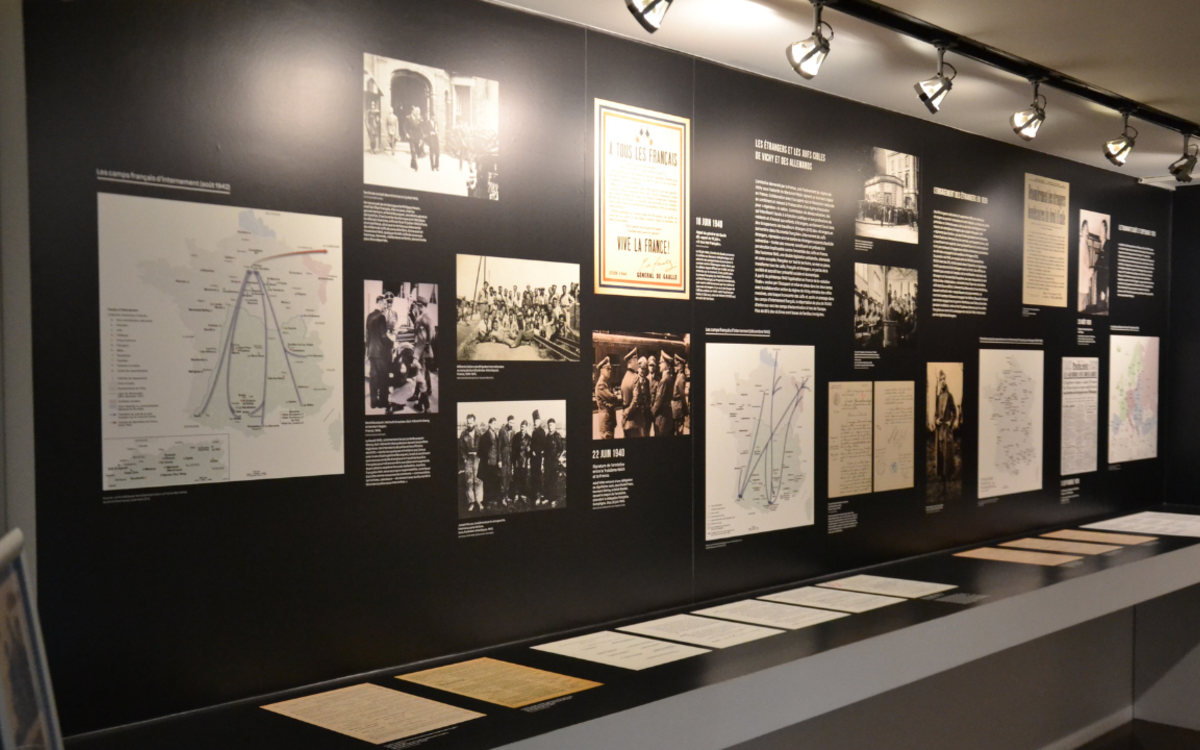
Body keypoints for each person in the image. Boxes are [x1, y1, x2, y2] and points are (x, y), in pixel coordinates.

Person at [933, 370, 958, 496]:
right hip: (939, 433)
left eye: (944, 379)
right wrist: (936, 419)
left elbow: (955, 412)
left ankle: (946, 488)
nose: (942, 381)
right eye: (940, 379)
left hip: (946, 431)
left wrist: (950, 423)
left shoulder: (950, 396)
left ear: (946, 380)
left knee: (947, 459)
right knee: (941, 457)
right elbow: (935, 414)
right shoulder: (938, 397)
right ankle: (942, 487)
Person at [366, 295, 391, 409]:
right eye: (384, 304)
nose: (385, 307)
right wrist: (392, 344)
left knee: (373, 378)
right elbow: (384, 336)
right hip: (381, 353)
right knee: (383, 378)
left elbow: (368, 336)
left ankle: (373, 402)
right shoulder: (381, 317)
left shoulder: (369, 316)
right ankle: (383, 403)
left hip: (372, 352)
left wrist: (367, 352)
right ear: (380, 303)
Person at [617, 348, 643, 438]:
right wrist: (627, 412)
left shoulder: (624, 378)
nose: (638, 365)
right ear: (632, 361)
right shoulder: (635, 377)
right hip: (634, 422)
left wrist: (625, 415)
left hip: (626, 423)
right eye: (637, 361)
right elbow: (636, 400)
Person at [594, 356, 620, 440]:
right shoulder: (601, 384)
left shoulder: (606, 383)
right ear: (602, 370)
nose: (610, 371)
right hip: (606, 423)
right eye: (608, 369)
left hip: (608, 421)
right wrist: (614, 398)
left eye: (610, 369)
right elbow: (612, 397)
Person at [459, 414, 481, 512]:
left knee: (478, 480)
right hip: (468, 459)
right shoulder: (463, 434)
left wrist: (481, 457)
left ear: (474, 422)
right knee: (469, 481)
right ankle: (471, 502)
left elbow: (483, 447)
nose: (469, 424)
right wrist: (464, 458)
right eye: (468, 423)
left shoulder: (479, 433)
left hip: (477, 458)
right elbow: (461, 448)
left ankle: (479, 501)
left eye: (471, 422)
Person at [653, 351, 675, 438]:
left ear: (665, 364)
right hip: (668, 415)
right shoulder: (670, 378)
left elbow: (658, 401)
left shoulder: (664, 381)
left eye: (661, 362)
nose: (659, 365)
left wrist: (651, 412)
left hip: (662, 418)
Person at [544, 418, 565, 506]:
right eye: (549, 425)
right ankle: (547, 497)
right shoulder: (547, 436)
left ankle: (554, 498)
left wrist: (556, 458)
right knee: (547, 479)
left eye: (551, 425)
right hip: (547, 461)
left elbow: (561, 448)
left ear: (555, 426)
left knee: (554, 480)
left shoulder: (557, 436)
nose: (550, 427)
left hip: (554, 462)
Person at [479, 418, 498, 509]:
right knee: (487, 483)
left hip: (495, 463)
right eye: (494, 424)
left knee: (494, 481)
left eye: (496, 424)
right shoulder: (484, 437)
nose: (495, 425)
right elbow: (480, 452)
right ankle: (486, 502)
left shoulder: (495, 434)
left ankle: (492, 499)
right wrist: (486, 459)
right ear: (489, 424)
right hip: (487, 464)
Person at [512, 420, 532, 505]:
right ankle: (516, 495)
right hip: (516, 461)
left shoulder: (529, 438)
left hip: (524, 461)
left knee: (524, 478)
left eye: (524, 427)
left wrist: (529, 451)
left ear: (527, 427)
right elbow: (513, 449)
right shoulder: (516, 436)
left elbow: (531, 452)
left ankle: (523, 495)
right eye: (521, 427)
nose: (522, 428)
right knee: (516, 478)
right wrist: (514, 460)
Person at [498, 415, 515, 506]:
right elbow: (499, 446)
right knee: (503, 477)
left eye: (513, 423)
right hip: (503, 458)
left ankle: (507, 495)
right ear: (507, 422)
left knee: (509, 477)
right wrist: (499, 460)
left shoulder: (513, 431)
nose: (511, 424)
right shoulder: (502, 431)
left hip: (510, 459)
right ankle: (502, 498)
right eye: (510, 422)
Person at [531, 410, 546, 504]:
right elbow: (532, 443)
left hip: (539, 457)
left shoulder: (542, 432)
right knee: (534, 474)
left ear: (539, 421)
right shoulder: (534, 432)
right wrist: (532, 450)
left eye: (537, 421)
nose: (535, 423)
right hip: (533, 457)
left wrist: (539, 452)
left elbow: (543, 445)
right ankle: (535, 493)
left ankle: (539, 495)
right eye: (534, 421)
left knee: (538, 475)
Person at [672, 354, 689, 436]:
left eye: (677, 365)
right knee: (676, 430)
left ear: (681, 366)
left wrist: (685, 410)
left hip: (678, 408)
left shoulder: (681, 377)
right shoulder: (678, 376)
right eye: (675, 365)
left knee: (679, 431)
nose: (675, 367)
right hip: (676, 408)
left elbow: (682, 395)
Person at [406, 106, 424, 171]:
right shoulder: (408, 118)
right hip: (411, 136)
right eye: (415, 111)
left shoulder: (419, 119)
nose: (416, 113)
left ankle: (412, 164)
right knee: (413, 151)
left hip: (417, 137)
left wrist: (421, 138)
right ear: (413, 112)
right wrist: (407, 133)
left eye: (417, 112)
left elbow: (421, 129)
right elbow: (405, 126)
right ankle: (416, 166)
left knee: (415, 152)